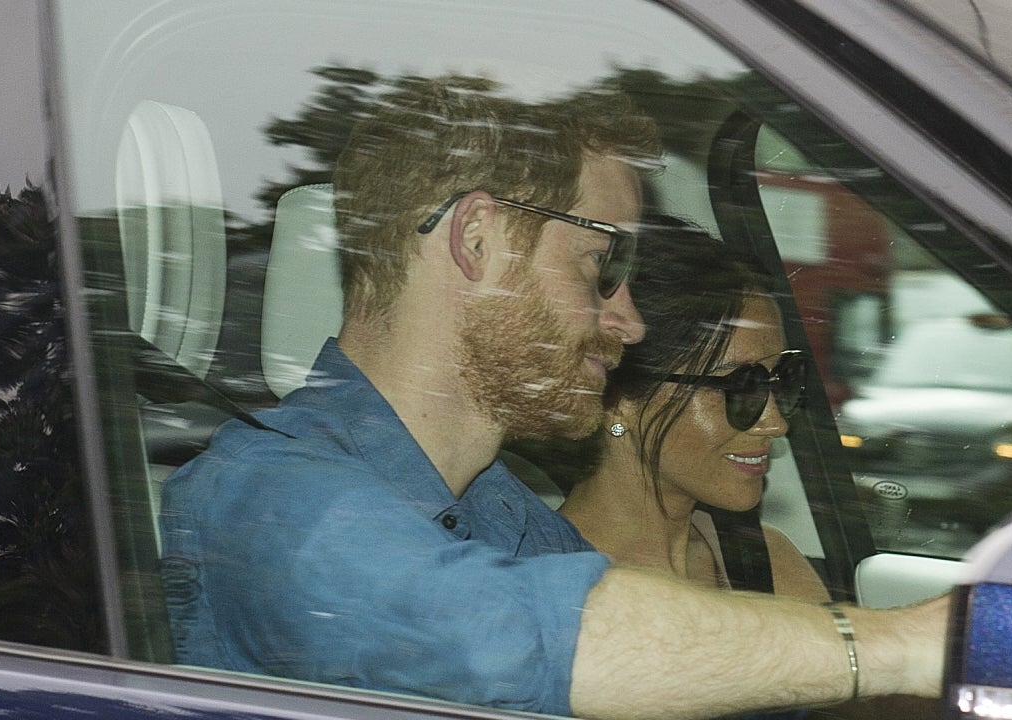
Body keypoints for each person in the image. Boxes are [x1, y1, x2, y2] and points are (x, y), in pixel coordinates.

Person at [158, 75, 947, 720]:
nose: (630, 322)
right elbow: (532, 640)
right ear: (477, 239)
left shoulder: (503, 513)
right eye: (602, 266)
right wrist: (903, 646)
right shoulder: (267, 502)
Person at [558, 216, 830, 602]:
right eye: (738, 385)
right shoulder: (550, 588)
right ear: (617, 400)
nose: (775, 423)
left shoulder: (764, 563)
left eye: (781, 378)